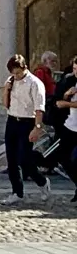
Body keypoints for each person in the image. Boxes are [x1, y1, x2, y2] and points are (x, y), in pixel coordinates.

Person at [2, 52, 49, 204]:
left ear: (25, 68)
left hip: (27, 122)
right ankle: (17, 192)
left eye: (18, 73)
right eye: (13, 73)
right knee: (11, 158)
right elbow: (5, 103)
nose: (16, 76)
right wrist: (6, 89)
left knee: (24, 158)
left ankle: (42, 182)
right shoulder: (11, 81)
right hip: (12, 120)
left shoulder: (35, 83)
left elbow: (39, 108)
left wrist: (37, 127)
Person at [55, 61, 77, 198]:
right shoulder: (71, 81)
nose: (76, 72)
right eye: (75, 69)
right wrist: (66, 95)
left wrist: (65, 103)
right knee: (62, 156)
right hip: (70, 125)